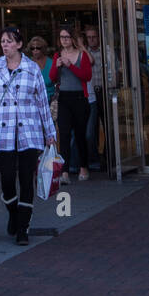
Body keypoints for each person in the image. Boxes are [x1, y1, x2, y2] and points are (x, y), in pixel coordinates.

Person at [0, 26, 56, 245]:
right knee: (7, 178)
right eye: (2, 42)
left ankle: (23, 228)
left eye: (9, 41)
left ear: (19, 44)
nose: (5, 45)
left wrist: (50, 133)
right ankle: (13, 212)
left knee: (27, 180)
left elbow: (42, 104)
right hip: (4, 133)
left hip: (30, 131)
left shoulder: (32, 69)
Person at [50, 26, 93, 183]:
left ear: (73, 39)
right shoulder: (57, 55)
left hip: (80, 98)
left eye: (67, 37)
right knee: (65, 134)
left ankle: (83, 166)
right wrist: (57, 66)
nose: (64, 40)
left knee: (80, 134)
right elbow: (52, 78)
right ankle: (65, 171)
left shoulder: (82, 55)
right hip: (63, 99)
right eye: (62, 37)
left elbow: (87, 76)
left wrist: (71, 66)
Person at [83, 23, 105, 169]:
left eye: (94, 37)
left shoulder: (106, 51)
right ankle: (94, 156)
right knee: (91, 127)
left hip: (103, 91)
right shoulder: (84, 53)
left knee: (107, 125)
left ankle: (109, 155)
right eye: (89, 37)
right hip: (90, 93)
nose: (91, 40)